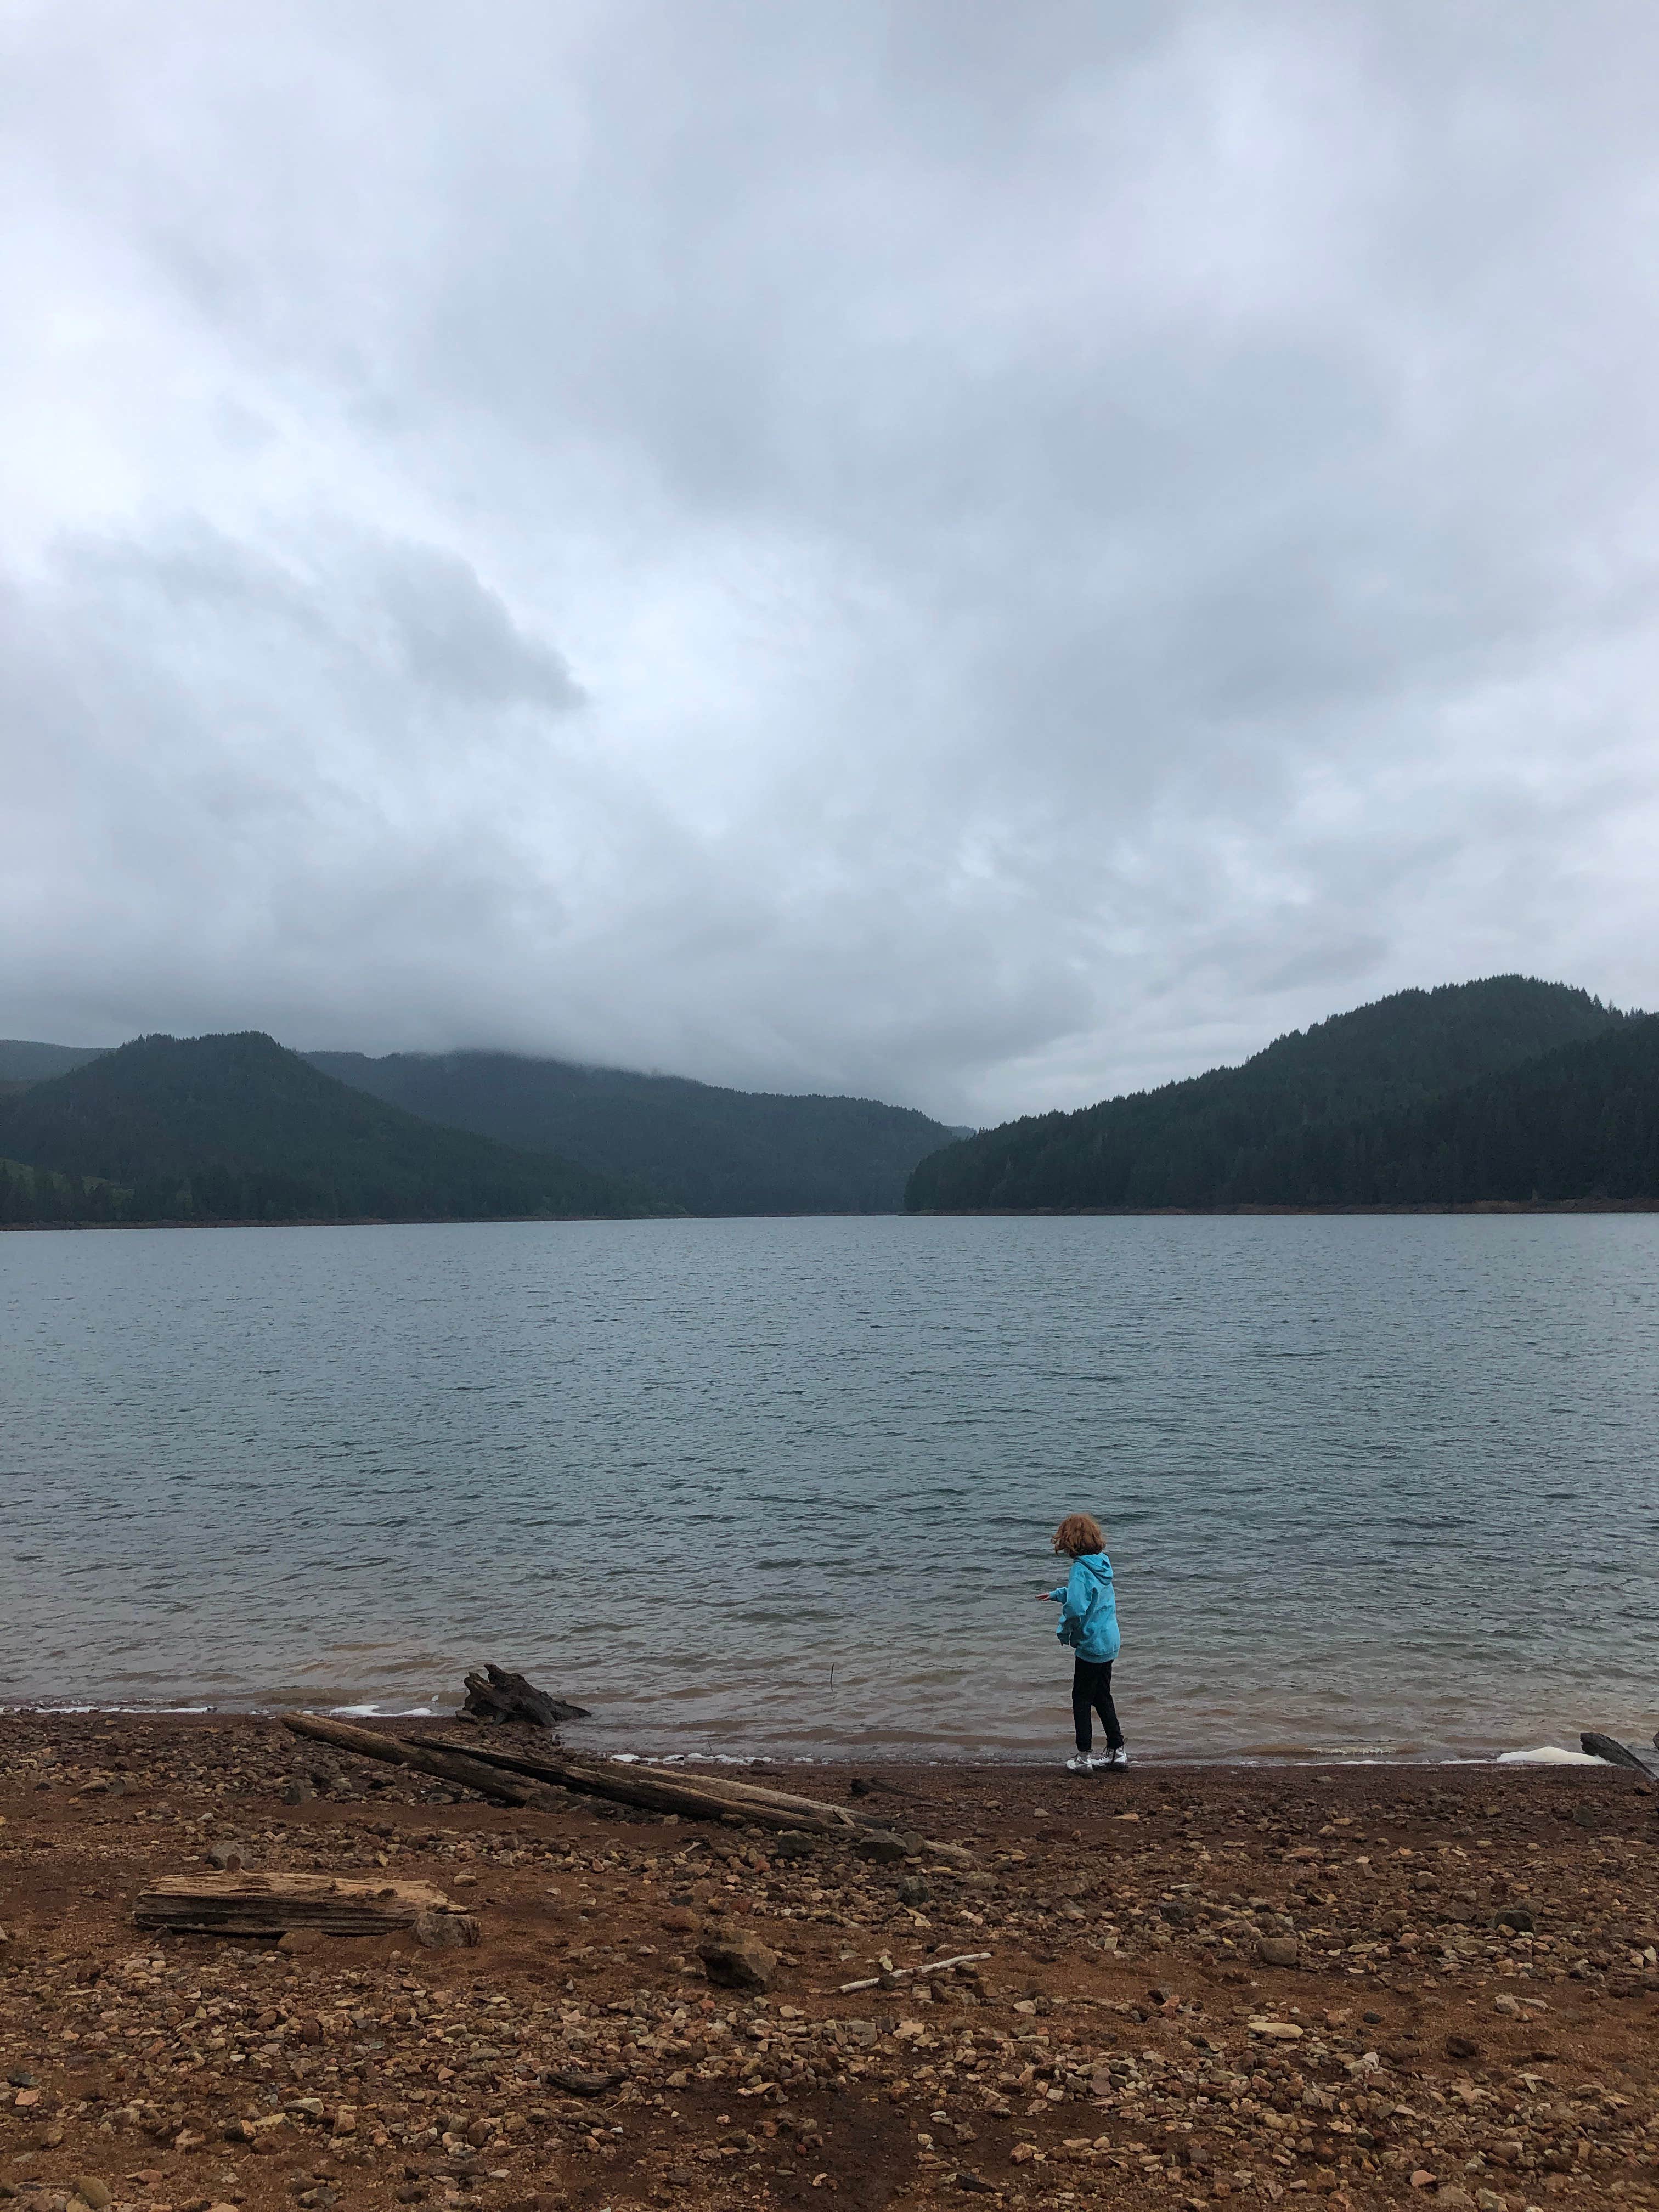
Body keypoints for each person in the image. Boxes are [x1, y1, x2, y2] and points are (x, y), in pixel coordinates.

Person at [1039, 1511, 1127, 1773]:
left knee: (1081, 1699)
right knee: (1102, 1695)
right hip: (1110, 1641)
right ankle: (1117, 1751)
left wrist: (1064, 1630)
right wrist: (1057, 1594)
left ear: (1069, 1540)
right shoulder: (1102, 1563)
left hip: (1092, 1644)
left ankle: (1083, 1757)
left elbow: (1077, 1606)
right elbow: (1089, 1594)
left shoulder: (1079, 1569)